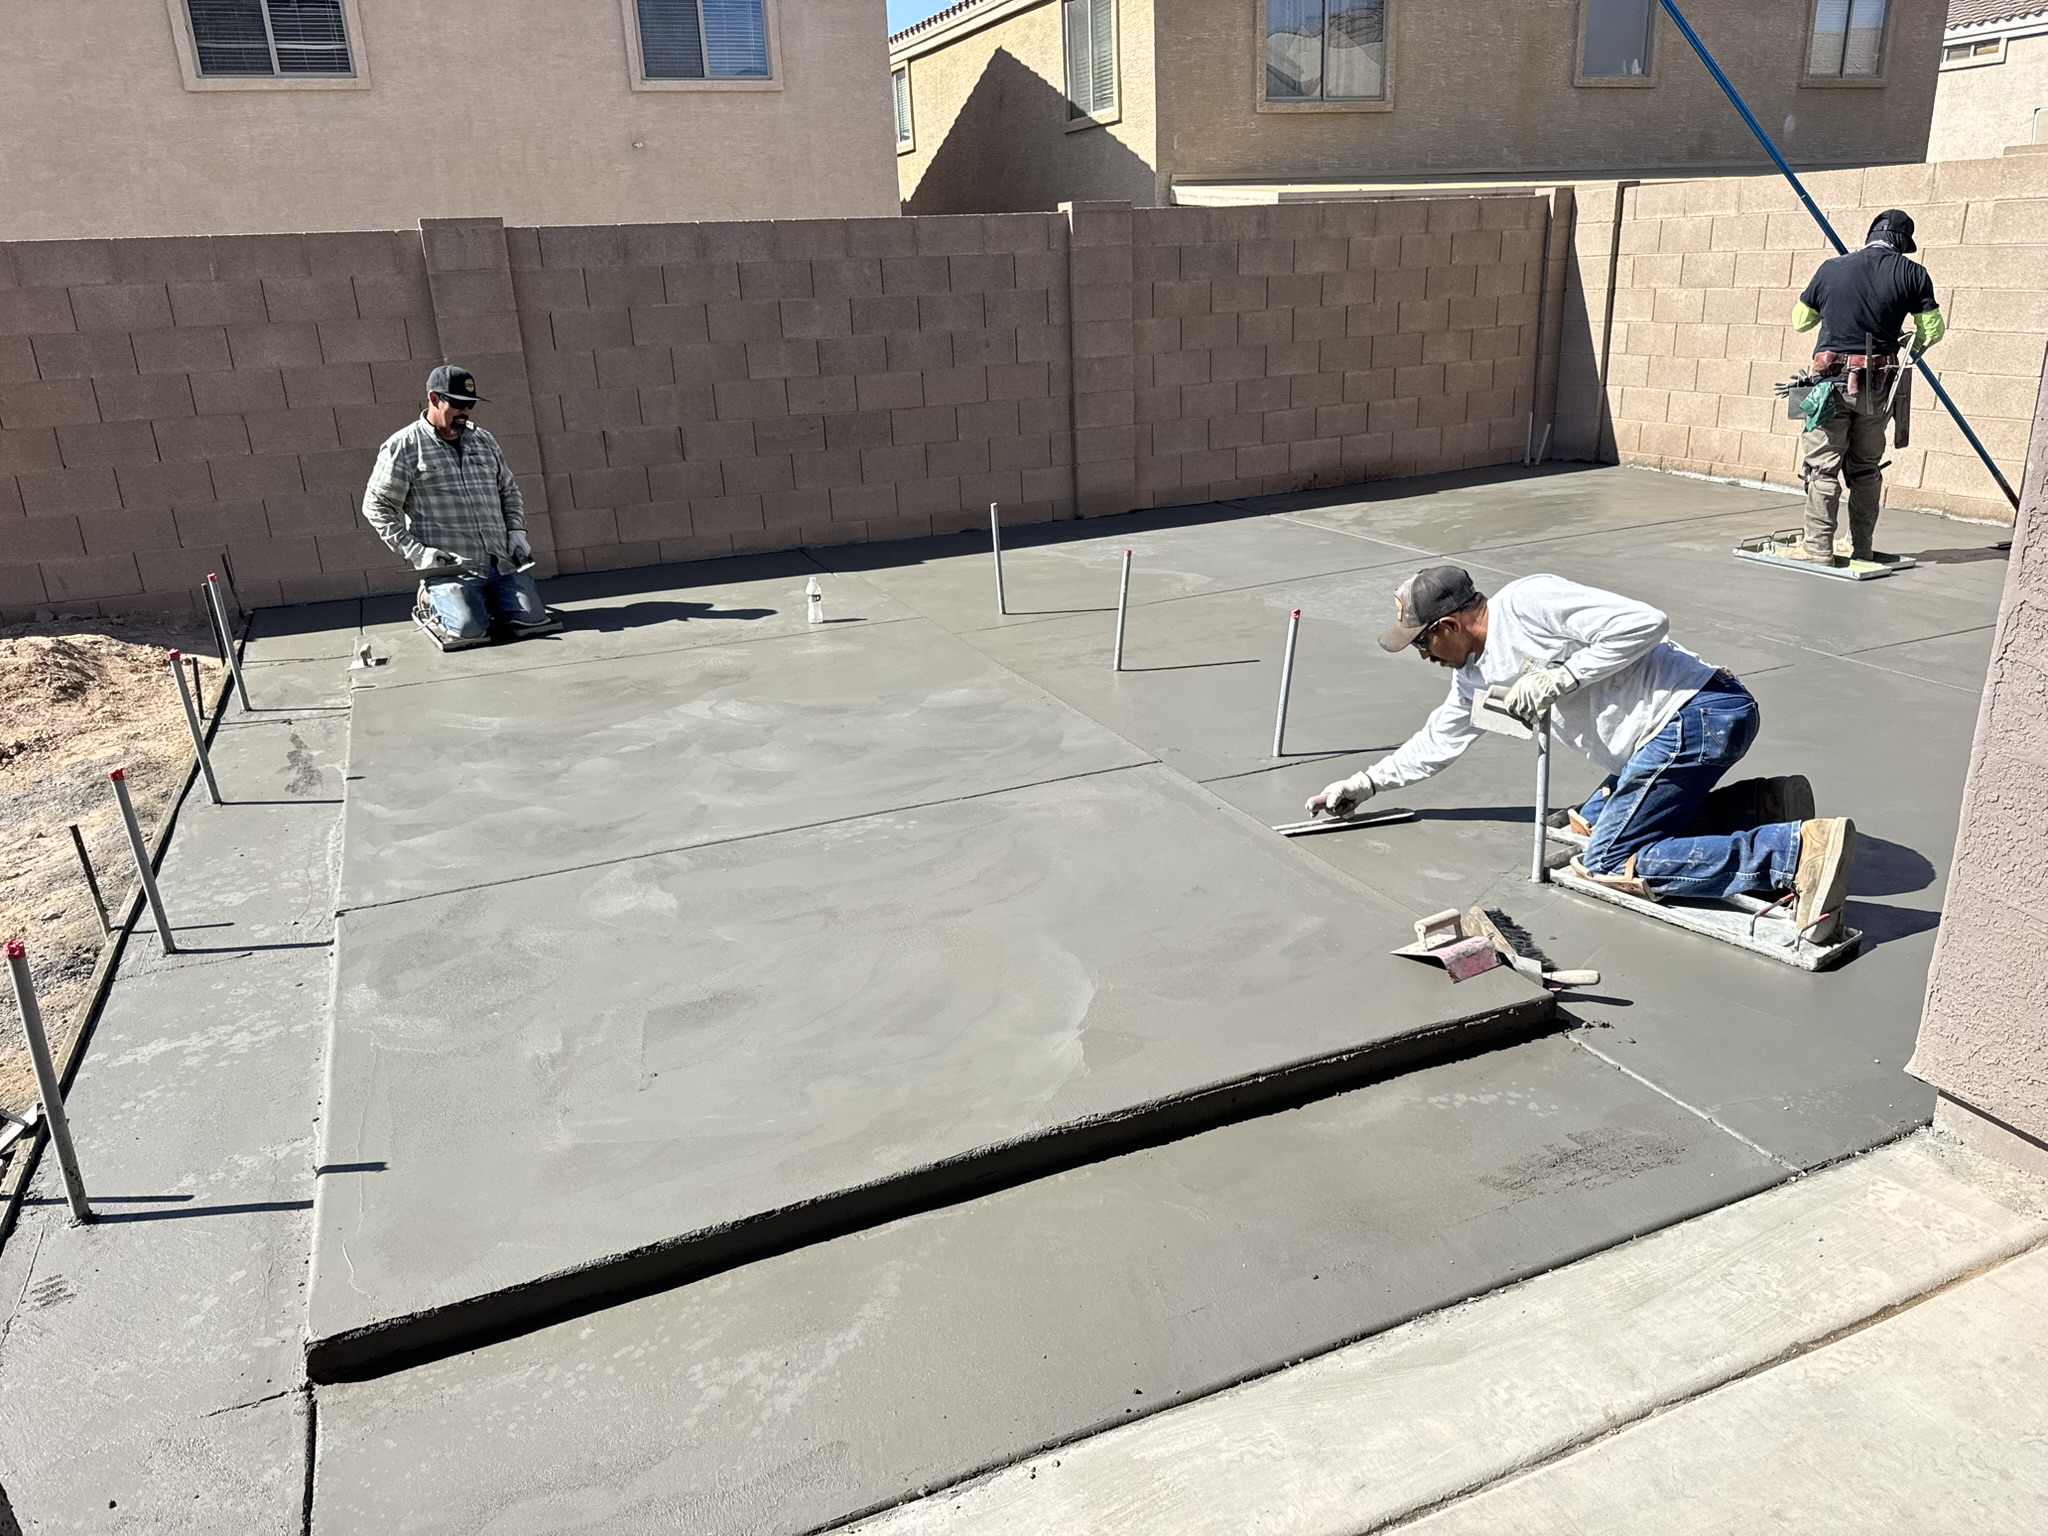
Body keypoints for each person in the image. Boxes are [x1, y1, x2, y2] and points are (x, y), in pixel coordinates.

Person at [1306, 566, 1861, 944]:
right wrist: (1365, 783)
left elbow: (1646, 622)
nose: (1422, 655)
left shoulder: (1527, 603)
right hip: (1670, 737)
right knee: (1586, 823)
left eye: (1422, 642)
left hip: (1699, 715)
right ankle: (1755, 807)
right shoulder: (1474, 673)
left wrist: (1562, 677)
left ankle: (1790, 851)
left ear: (1448, 625)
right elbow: (1440, 738)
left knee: (1605, 863)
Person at [1785, 209, 1945, 566]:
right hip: (1878, 389)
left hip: (1830, 385)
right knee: (1865, 470)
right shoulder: (1913, 274)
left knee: (1822, 469)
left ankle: (1817, 549)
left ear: (1870, 235)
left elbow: (1800, 322)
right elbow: (1933, 330)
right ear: (1903, 244)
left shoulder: (1831, 268)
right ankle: (1861, 548)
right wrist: (1910, 349)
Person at [361, 365, 560, 651]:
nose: (464, 411)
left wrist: (516, 531)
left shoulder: (484, 441)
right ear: (434, 399)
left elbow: (509, 490)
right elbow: (376, 506)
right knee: (468, 631)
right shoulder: (403, 447)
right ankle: (432, 600)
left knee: (533, 620)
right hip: (451, 567)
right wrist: (418, 552)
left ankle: (481, 600)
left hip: (499, 563)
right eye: (457, 404)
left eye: (469, 405)